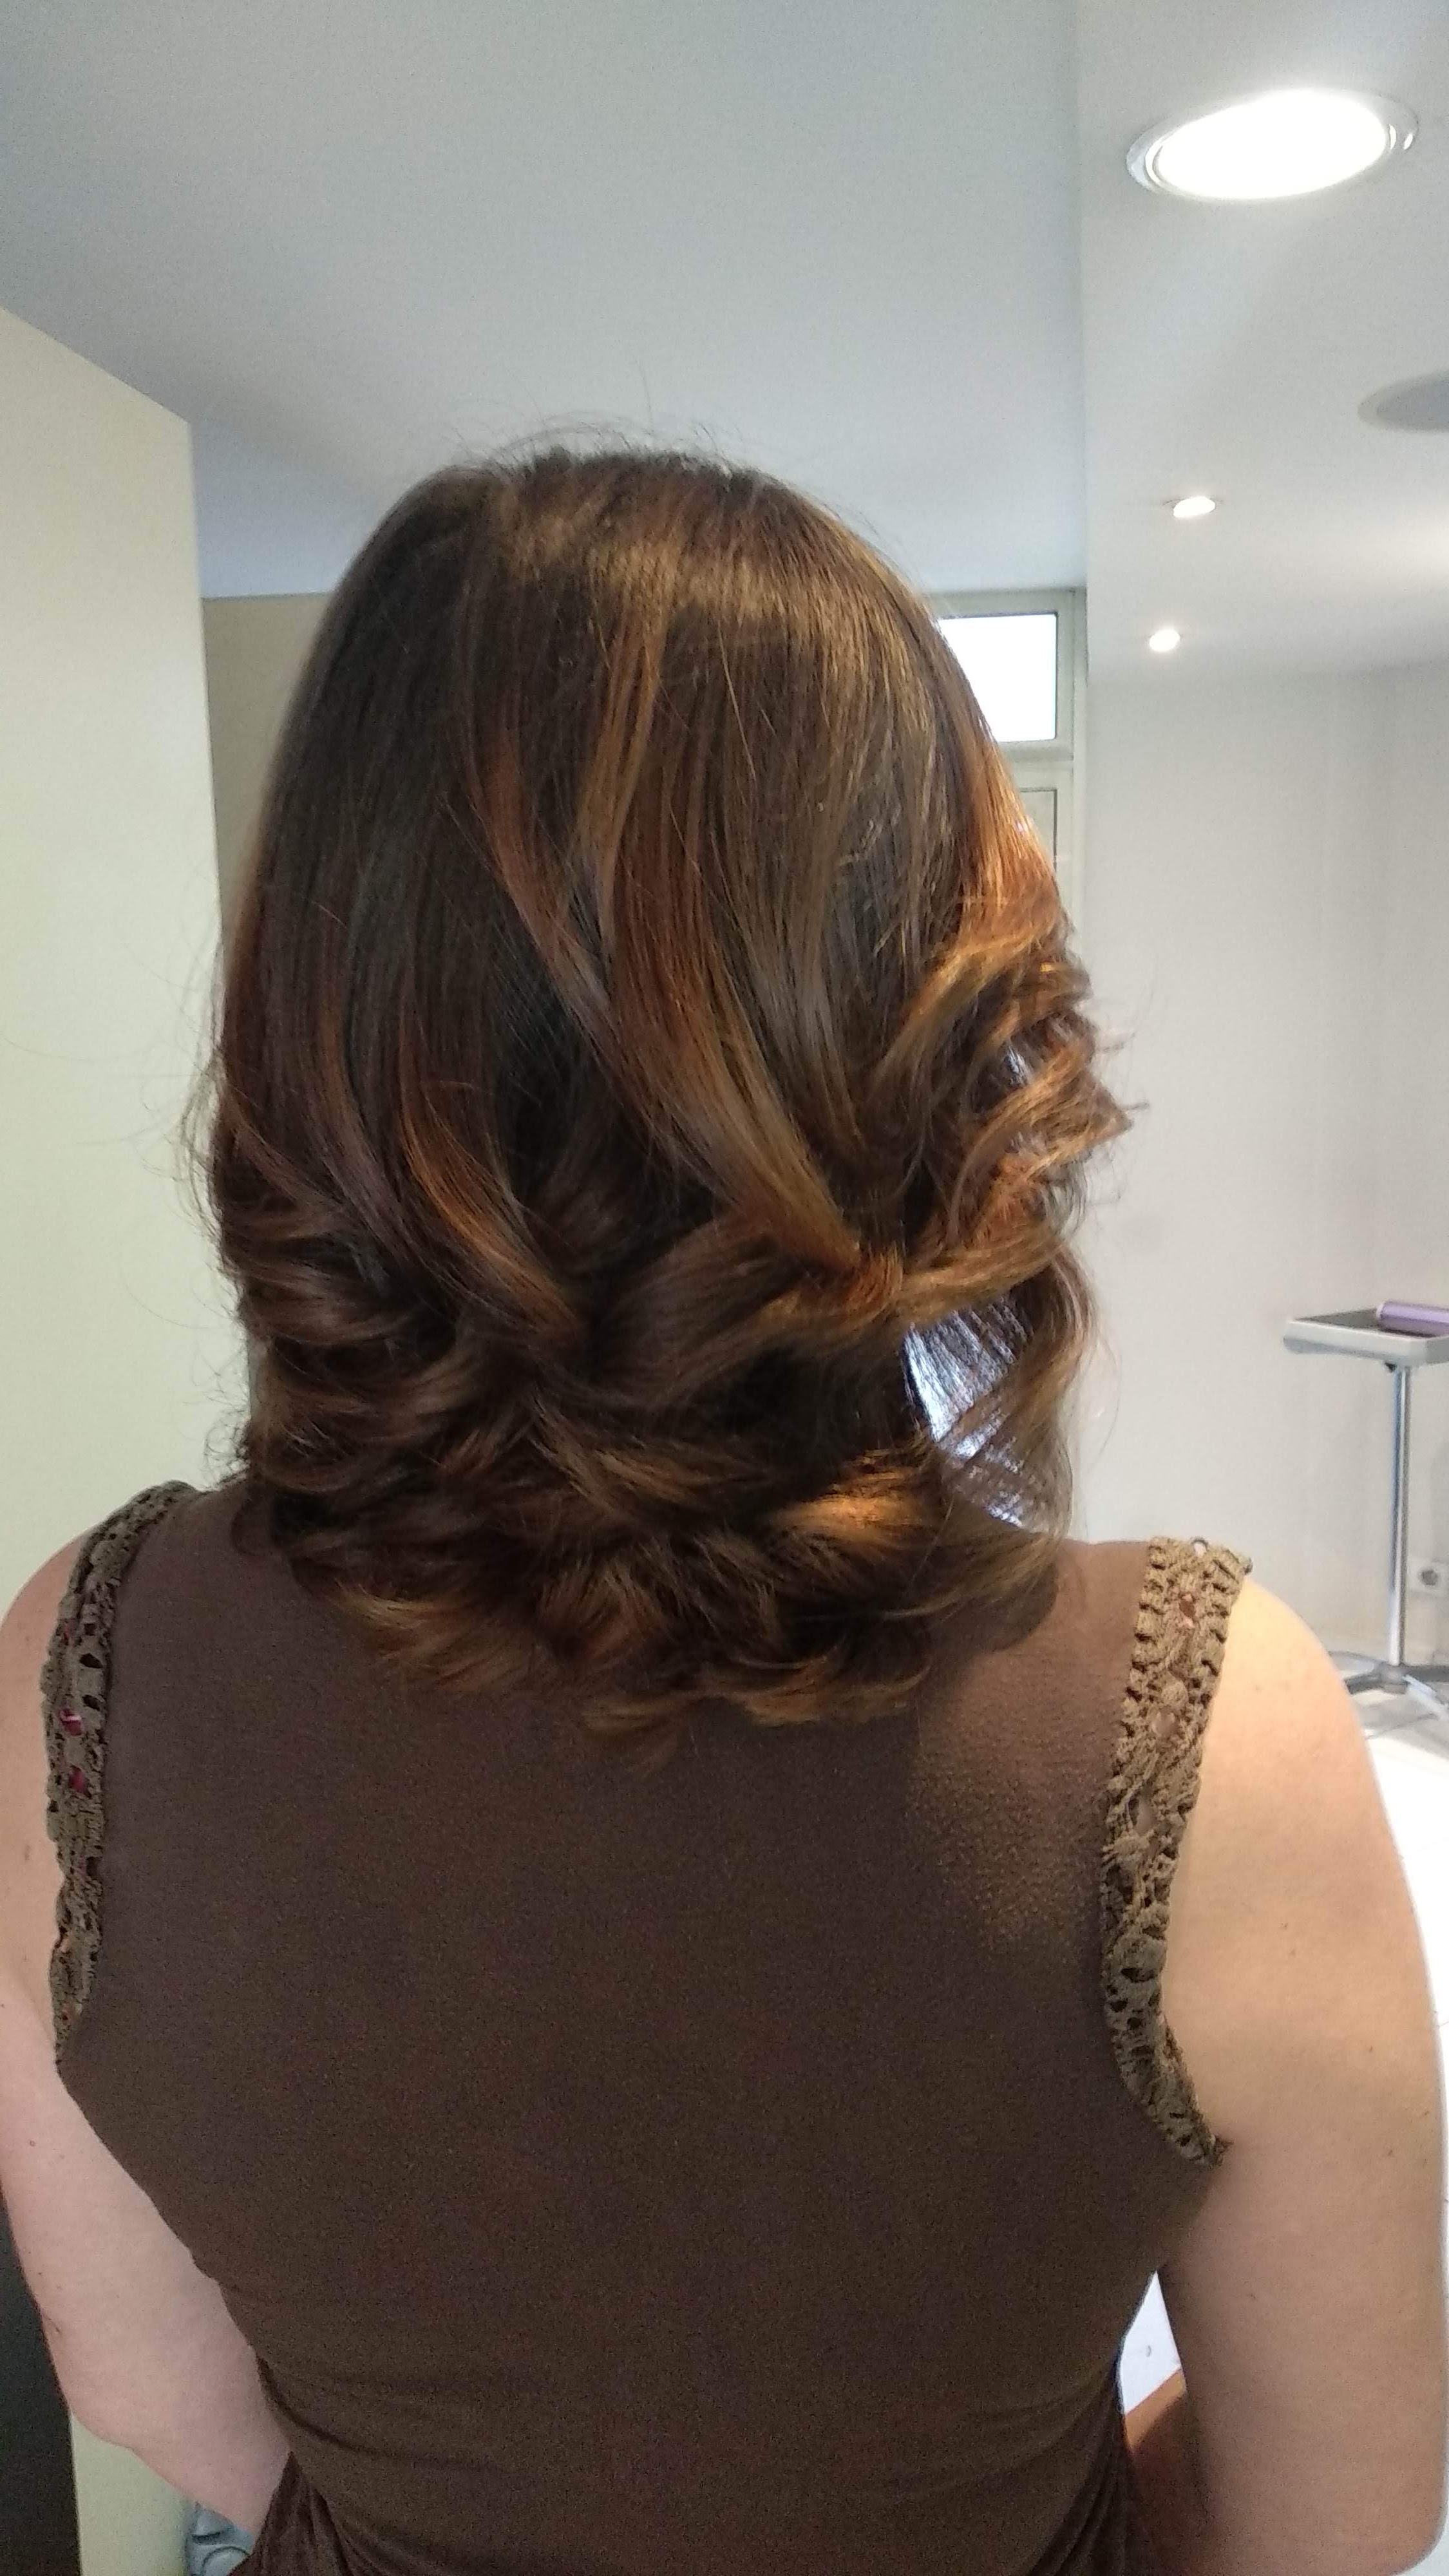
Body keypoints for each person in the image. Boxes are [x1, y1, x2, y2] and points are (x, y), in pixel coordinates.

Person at [25, 446, 1449, 2573]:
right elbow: (1333, 2509)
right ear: (936, 1016)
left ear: (322, 992)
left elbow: (150, 2391)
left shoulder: (83, 1665)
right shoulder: (1202, 1728)